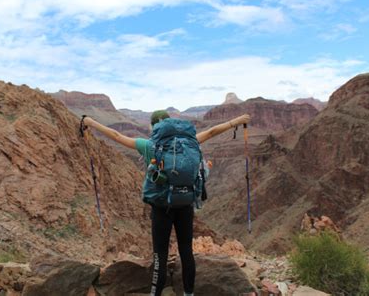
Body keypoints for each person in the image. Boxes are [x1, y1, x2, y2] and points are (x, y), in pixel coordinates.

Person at [83, 110, 251, 296]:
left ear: (153, 126)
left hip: (161, 208)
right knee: (186, 252)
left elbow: (116, 135)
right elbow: (212, 132)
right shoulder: (190, 141)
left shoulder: (148, 145)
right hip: (185, 205)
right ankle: (189, 294)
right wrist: (236, 121)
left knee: (160, 256)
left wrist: (92, 122)